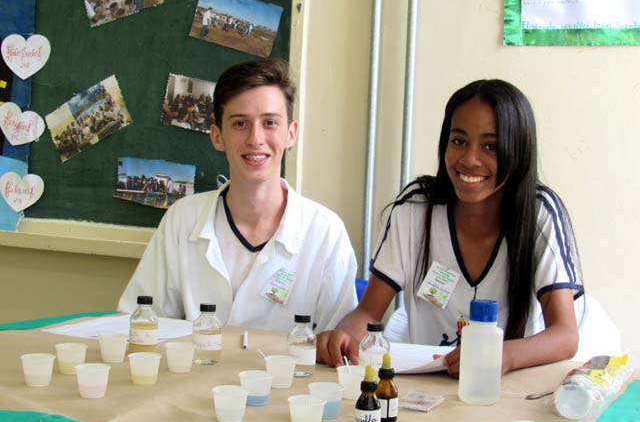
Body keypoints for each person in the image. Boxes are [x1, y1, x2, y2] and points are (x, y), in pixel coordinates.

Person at [317, 79, 584, 376]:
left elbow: (565, 335)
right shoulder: (414, 209)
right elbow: (368, 313)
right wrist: (343, 337)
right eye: (458, 141)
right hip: (427, 388)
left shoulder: (539, 214)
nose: (469, 159)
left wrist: (501, 356)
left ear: (518, 151)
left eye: (491, 146)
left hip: (507, 386)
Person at [118, 59, 359, 332]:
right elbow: (138, 324)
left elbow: (339, 346)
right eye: (240, 123)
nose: (255, 139)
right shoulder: (182, 220)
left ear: (290, 134)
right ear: (217, 136)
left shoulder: (325, 232)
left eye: (269, 122)